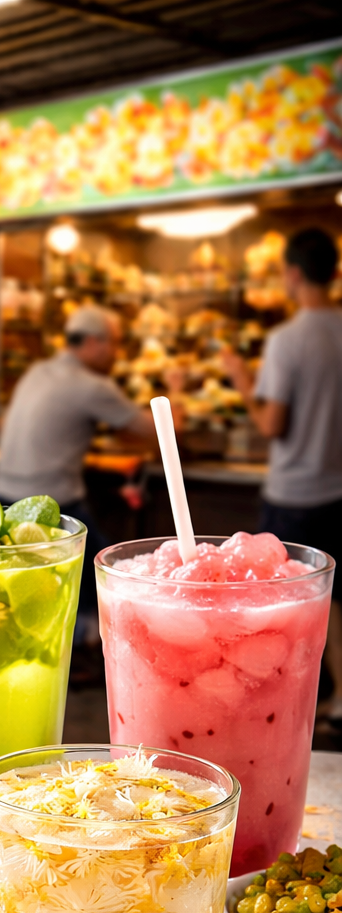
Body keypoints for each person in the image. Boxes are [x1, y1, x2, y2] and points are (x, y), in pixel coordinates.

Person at [221, 227, 342, 723]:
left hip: (295, 492)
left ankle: (283, 709)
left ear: (292, 274)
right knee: (337, 598)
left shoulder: (287, 340)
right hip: (338, 488)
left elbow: (273, 423)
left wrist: (242, 382)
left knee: (286, 607)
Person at [0, 306, 178, 619]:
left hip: (2, 501)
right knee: (110, 573)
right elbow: (166, 431)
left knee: (31, 587)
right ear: (94, 342)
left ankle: (73, 631)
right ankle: (88, 638)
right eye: (115, 344)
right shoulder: (91, 385)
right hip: (50, 506)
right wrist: (176, 388)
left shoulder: (38, 371)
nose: (116, 354)